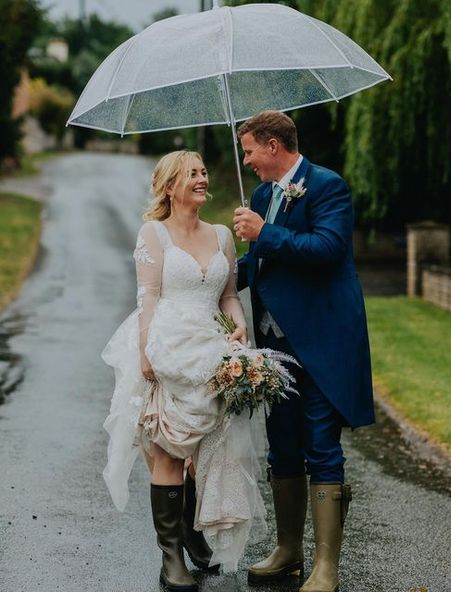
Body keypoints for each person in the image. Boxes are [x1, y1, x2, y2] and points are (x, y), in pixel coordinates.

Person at [101, 150, 266, 592]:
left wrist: (240, 323)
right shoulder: (153, 234)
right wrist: (146, 350)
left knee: (209, 448)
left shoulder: (221, 236)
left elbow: (228, 295)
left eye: (203, 171)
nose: (201, 178)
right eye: (191, 173)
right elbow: (148, 297)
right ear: (170, 187)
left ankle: (193, 535)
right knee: (171, 449)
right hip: (169, 347)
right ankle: (170, 555)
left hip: (213, 350)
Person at [233, 111, 375, 592]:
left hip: (321, 342)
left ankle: (326, 568)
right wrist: (207, 279)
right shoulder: (261, 195)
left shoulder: (327, 186)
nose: (247, 160)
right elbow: (260, 264)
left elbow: (327, 249)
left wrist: (263, 233)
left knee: (320, 445)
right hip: (275, 349)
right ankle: (288, 550)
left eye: (250, 150)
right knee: (284, 446)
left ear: (274, 146)